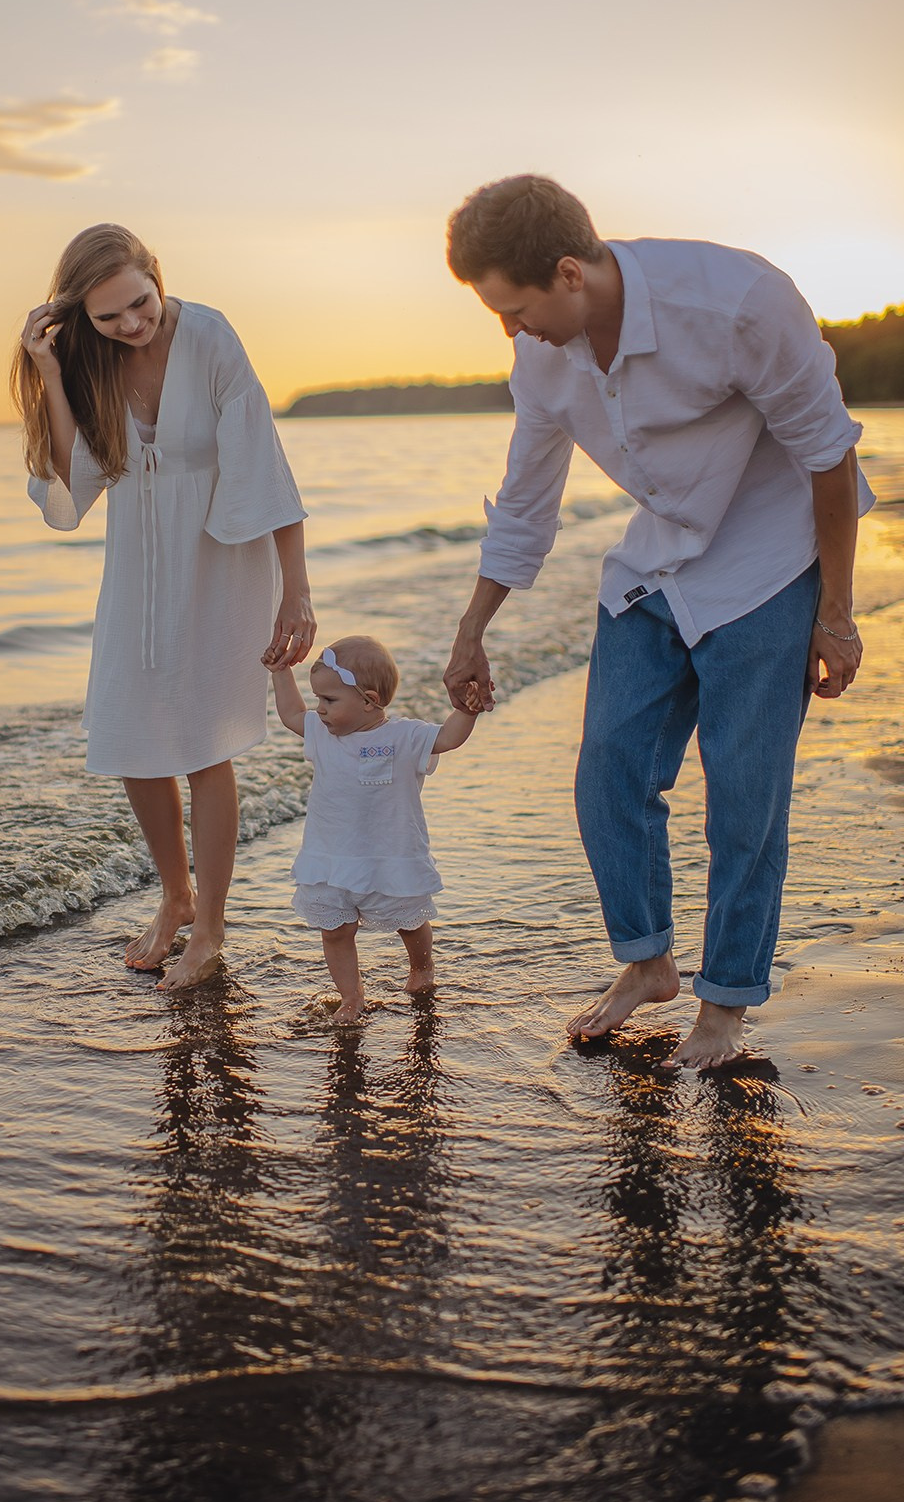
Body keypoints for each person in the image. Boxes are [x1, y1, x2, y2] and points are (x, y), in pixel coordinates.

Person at [442, 174, 872, 1070]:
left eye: (516, 309)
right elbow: (526, 503)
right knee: (609, 769)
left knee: (745, 796)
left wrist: (835, 615)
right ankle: (648, 963)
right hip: (658, 559)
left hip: (770, 553)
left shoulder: (737, 304)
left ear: (570, 273)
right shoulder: (543, 358)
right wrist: (472, 628)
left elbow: (829, 459)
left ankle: (725, 1004)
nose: (511, 331)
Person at [13, 222, 314, 989]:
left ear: (157, 273)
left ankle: (209, 925)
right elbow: (72, 481)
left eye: (139, 303)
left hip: (221, 557)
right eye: (108, 315)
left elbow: (267, 467)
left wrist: (297, 591)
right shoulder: (86, 358)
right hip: (137, 565)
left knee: (204, 743)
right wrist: (49, 369)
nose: (131, 323)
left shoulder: (209, 337)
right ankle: (175, 895)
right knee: (130, 732)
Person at [271, 635, 478, 1023]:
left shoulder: (405, 736)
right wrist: (281, 671)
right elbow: (291, 714)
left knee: (410, 922)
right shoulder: (321, 732)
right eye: (317, 699)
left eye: (329, 700)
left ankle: (422, 968)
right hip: (330, 860)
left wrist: (468, 708)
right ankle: (351, 996)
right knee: (335, 931)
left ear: (369, 700)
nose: (319, 709)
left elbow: (449, 737)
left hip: (389, 857)